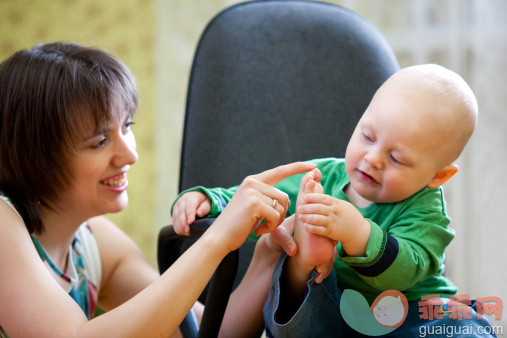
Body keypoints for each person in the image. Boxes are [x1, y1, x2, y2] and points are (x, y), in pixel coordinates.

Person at [0, 42, 324, 337]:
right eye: (99, 142)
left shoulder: (92, 242)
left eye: (127, 126)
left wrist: (267, 257)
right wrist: (217, 238)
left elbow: (205, 331)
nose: (130, 155)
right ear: (34, 156)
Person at [172, 64, 497, 336]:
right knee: (295, 302)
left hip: (408, 316)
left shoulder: (426, 210)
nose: (372, 159)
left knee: (460, 327)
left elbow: (405, 270)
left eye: (396, 158)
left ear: (437, 177)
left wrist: (358, 234)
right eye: (367, 136)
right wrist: (209, 198)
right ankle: (307, 253)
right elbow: (258, 194)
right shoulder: (323, 176)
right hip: (338, 313)